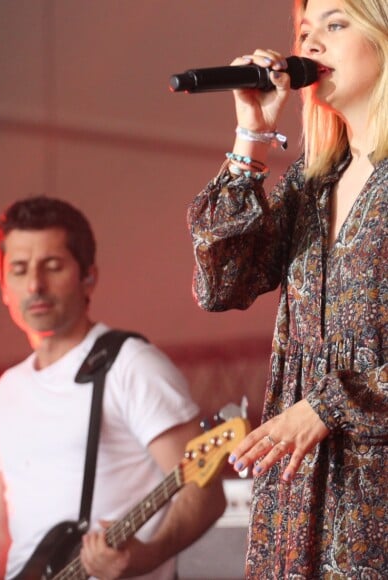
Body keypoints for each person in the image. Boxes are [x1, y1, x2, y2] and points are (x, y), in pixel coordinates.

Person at [186, 0, 387, 577]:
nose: (311, 44)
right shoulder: (312, 181)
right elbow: (220, 284)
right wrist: (252, 134)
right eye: (304, 30)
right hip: (300, 502)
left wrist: (329, 404)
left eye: (335, 23)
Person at [0, 195, 226, 580]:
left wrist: (146, 556)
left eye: (52, 266)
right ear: (3, 287)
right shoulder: (4, 394)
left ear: (88, 276)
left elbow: (205, 492)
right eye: (18, 269)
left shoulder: (129, 364)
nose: (35, 284)